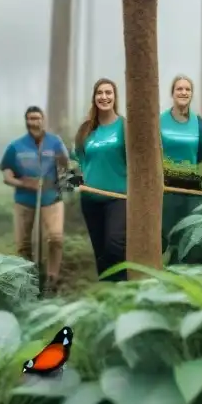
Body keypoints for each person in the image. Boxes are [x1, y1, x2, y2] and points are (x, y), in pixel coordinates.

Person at [0, 106, 69, 293]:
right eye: (30, 119)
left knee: (55, 238)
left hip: (51, 198)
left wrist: (63, 173)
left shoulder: (55, 143)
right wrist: (22, 183)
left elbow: (66, 166)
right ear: (26, 121)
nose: (33, 122)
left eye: (37, 118)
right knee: (23, 244)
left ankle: (52, 279)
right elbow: (7, 175)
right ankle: (27, 282)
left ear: (43, 120)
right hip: (24, 201)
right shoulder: (15, 146)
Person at [73, 78, 128, 282]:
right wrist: (71, 184)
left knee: (115, 245)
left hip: (119, 197)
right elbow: (76, 162)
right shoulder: (86, 130)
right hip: (90, 199)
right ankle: (108, 294)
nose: (104, 97)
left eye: (108, 93)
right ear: (94, 98)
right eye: (100, 93)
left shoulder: (124, 126)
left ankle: (123, 288)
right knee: (100, 252)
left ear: (115, 97)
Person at [160, 75, 202, 250]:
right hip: (165, 190)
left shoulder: (200, 124)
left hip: (192, 191)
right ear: (172, 93)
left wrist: (200, 174)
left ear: (192, 94)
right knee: (165, 238)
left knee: (188, 241)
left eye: (187, 89)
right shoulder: (159, 121)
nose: (183, 92)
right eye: (179, 89)